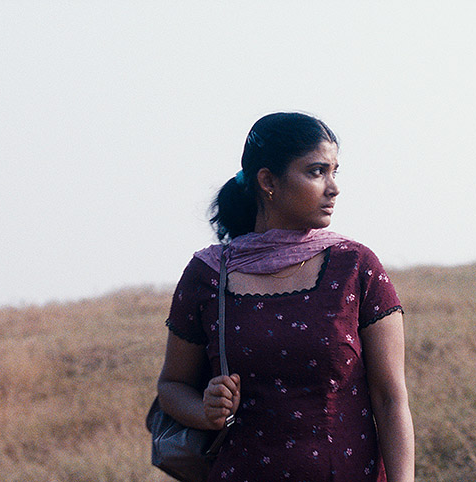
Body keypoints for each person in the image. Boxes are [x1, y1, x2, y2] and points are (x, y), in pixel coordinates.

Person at [157, 112, 414, 481]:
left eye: (334, 172)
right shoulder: (209, 275)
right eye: (316, 172)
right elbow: (171, 386)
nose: (333, 187)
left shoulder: (355, 268)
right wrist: (206, 410)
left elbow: (391, 400)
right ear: (267, 181)